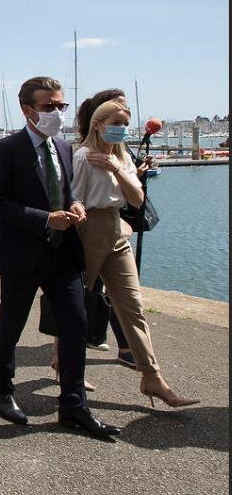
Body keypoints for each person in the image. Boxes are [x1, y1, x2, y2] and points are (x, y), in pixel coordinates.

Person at [0, 76, 120, 439]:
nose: (57, 112)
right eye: (49, 107)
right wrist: (45, 218)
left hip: (64, 255)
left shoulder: (62, 146)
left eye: (61, 106)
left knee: (76, 326)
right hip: (22, 254)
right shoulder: (6, 150)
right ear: (28, 110)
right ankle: (2, 390)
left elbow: (67, 188)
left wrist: (74, 204)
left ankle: (73, 405)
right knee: (10, 326)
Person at [73, 100, 199, 408]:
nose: (121, 128)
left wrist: (117, 167)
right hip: (89, 227)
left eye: (125, 123)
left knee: (133, 305)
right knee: (76, 304)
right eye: (115, 122)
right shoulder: (83, 156)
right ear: (98, 124)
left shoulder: (122, 156)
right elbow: (73, 195)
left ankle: (152, 377)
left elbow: (138, 199)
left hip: (117, 227)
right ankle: (64, 364)